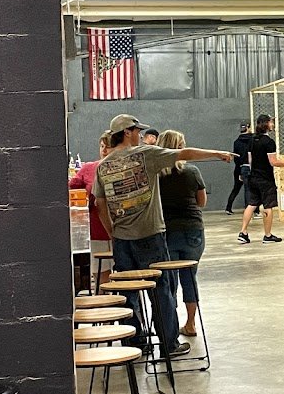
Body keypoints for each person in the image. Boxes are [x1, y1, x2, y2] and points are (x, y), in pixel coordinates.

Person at [94, 114, 232, 357]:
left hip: (123, 239)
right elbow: (184, 154)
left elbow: (100, 203)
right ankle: (169, 344)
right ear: (127, 132)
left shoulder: (103, 166)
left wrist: (112, 232)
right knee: (161, 290)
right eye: (137, 131)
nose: (140, 135)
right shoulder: (145, 154)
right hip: (151, 235)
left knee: (128, 291)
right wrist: (216, 153)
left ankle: (134, 343)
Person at [158, 130, 207, 337]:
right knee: (190, 277)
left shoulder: (156, 175)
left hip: (167, 231)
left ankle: (170, 326)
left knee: (169, 281)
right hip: (193, 229)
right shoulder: (192, 171)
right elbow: (201, 202)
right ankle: (191, 323)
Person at [238, 114, 284, 245]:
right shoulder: (269, 142)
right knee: (268, 205)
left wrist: (253, 173)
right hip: (266, 179)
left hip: (253, 177)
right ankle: (267, 235)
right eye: (271, 122)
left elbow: (250, 160)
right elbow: (273, 161)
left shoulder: (252, 140)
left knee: (251, 204)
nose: (273, 124)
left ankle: (243, 232)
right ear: (266, 124)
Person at [69, 129, 114, 290]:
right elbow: (70, 188)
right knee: (101, 279)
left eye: (108, 146)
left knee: (125, 277)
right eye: (102, 146)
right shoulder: (88, 168)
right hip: (97, 232)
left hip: (123, 231)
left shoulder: (122, 169)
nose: (104, 150)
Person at [225, 122, 254, 215]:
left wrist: (239, 171)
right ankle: (252, 210)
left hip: (239, 168)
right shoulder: (252, 140)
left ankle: (228, 208)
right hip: (250, 167)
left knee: (236, 188)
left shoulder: (236, 142)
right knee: (250, 189)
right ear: (248, 128)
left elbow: (236, 157)